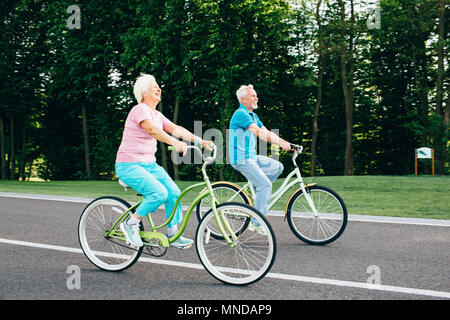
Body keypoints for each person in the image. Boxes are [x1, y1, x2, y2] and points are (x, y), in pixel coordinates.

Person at [115, 74, 213, 248]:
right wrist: (174, 143)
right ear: (144, 92)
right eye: (154, 86)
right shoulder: (139, 110)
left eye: (158, 85)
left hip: (149, 165)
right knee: (159, 193)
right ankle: (130, 224)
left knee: (173, 193)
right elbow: (152, 130)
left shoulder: (157, 114)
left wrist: (200, 141)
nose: (159, 88)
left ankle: (173, 234)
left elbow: (176, 129)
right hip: (129, 165)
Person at [228, 84, 291, 233]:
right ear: (243, 99)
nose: (256, 98)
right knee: (265, 185)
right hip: (241, 158)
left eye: (256, 95)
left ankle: (258, 194)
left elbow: (266, 131)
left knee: (278, 167)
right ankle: (256, 222)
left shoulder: (253, 115)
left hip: (251, 157)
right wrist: (281, 144)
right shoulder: (240, 113)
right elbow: (258, 133)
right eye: (253, 96)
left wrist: (286, 143)